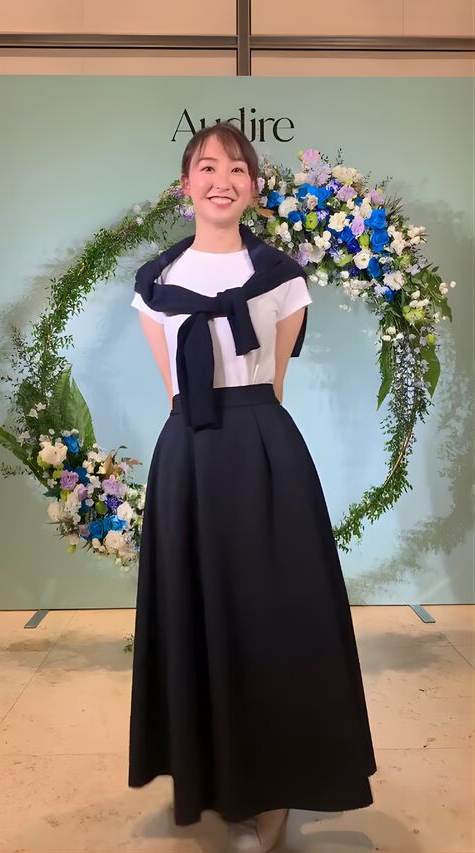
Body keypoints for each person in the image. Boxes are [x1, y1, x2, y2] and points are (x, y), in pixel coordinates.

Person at [128, 121, 377, 853]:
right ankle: (211, 775)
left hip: (264, 451)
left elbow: (274, 380)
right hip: (189, 454)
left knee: (274, 616)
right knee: (198, 614)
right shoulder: (155, 285)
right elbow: (174, 387)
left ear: (254, 188)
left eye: (238, 168)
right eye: (208, 167)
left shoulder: (282, 277)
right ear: (186, 185)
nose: (222, 180)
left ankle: (273, 786)